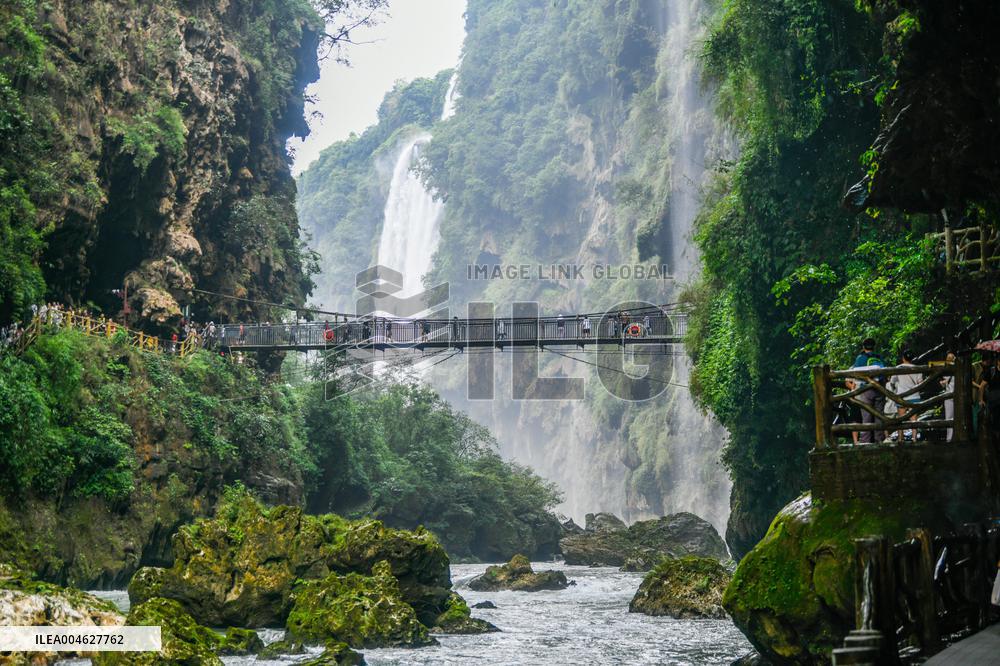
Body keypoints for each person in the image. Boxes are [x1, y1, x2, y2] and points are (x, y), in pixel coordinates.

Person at [853, 338, 886, 444]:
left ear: (863, 347)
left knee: (866, 416)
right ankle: (879, 440)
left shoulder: (860, 358)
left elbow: (856, 374)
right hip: (879, 388)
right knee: (879, 415)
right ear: (874, 346)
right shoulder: (879, 357)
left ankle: (865, 441)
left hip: (866, 389)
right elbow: (884, 372)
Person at [888, 349, 922, 442]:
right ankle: (914, 438)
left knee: (900, 419)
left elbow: (892, 381)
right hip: (914, 397)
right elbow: (920, 383)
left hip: (901, 397)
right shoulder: (918, 369)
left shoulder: (898, 368)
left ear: (903, 358)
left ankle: (900, 438)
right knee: (914, 420)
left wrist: (894, 389)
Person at [941, 351, 956, 441]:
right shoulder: (946, 369)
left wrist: (943, 383)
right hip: (950, 395)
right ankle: (950, 438)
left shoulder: (948, 369)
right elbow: (944, 383)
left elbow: (944, 383)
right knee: (950, 417)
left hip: (952, 395)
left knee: (951, 417)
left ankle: (951, 438)